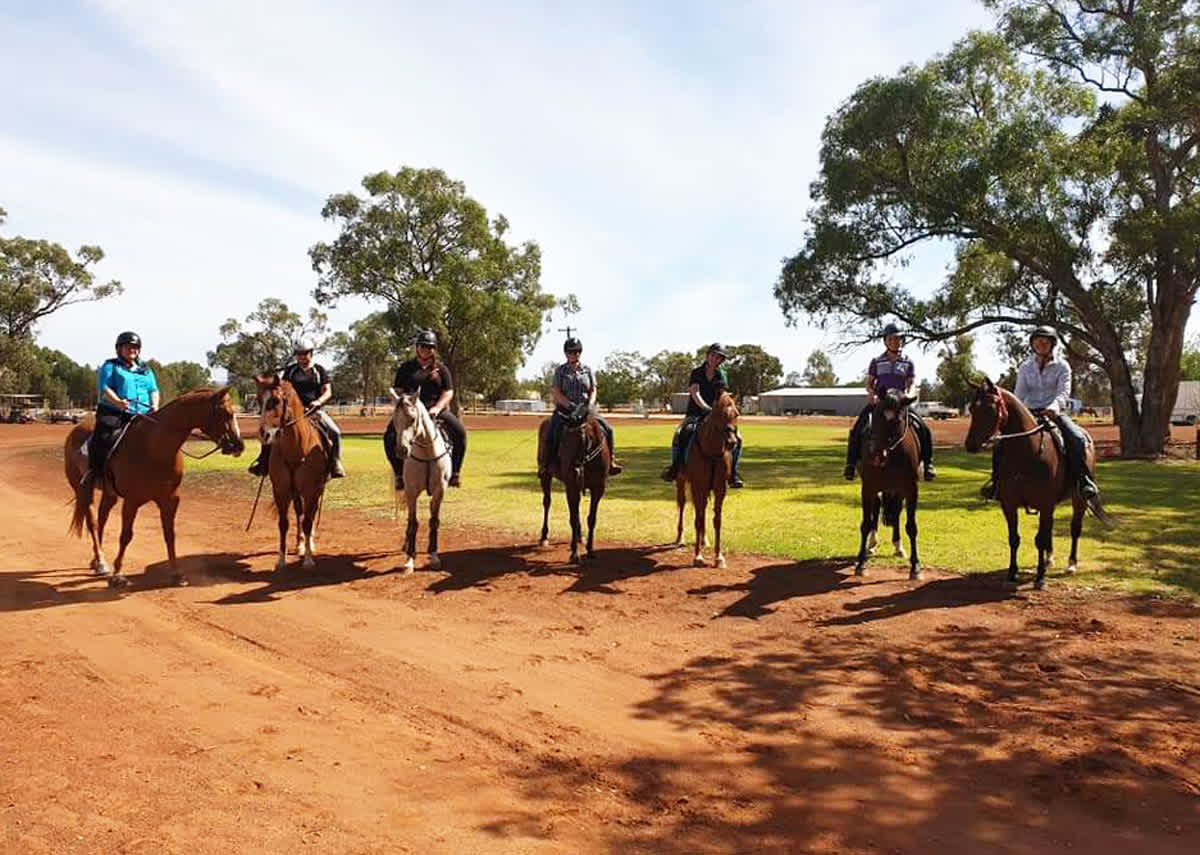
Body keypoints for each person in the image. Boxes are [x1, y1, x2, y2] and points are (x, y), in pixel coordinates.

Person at [980, 325, 1099, 501]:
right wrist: (1020, 411)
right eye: (1037, 342)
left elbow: (1063, 392)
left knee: (1077, 438)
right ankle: (996, 483)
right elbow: (1019, 393)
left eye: (1044, 342)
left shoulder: (1062, 366)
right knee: (1000, 444)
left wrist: (1053, 408)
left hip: (1054, 413)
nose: (1040, 345)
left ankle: (1084, 481)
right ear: (1032, 344)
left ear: (1052, 344)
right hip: (1029, 413)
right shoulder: (1025, 367)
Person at [843, 323, 936, 482]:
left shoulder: (908, 362)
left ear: (902, 341)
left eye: (898, 339)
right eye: (891, 339)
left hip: (900, 403)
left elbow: (911, 383)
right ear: (885, 341)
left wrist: (908, 394)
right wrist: (872, 394)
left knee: (924, 428)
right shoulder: (876, 361)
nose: (895, 342)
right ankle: (851, 464)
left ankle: (928, 464)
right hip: (881, 403)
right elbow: (869, 383)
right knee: (858, 428)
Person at [248, 340, 346, 478]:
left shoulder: (319, 370)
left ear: (311, 353)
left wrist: (318, 401)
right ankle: (263, 462)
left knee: (335, 432)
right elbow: (282, 389)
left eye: (304, 354)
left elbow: (328, 391)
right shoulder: (291, 370)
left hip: (314, 411)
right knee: (270, 432)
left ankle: (335, 463)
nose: (301, 357)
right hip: (292, 412)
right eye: (299, 354)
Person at [384, 330, 466, 489]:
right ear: (417, 347)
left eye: (429, 347)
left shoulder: (441, 369)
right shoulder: (406, 368)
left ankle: (455, 473)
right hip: (410, 413)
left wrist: (437, 407)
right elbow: (399, 390)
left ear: (433, 349)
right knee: (389, 436)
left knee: (460, 433)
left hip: (435, 411)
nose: (425, 350)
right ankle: (399, 474)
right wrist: (397, 398)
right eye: (422, 346)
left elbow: (448, 392)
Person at [659, 343, 744, 487]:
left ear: (721, 360)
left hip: (716, 416)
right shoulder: (696, 372)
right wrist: (706, 408)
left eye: (718, 357)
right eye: (713, 355)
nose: (715, 359)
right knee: (680, 433)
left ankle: (733, 473)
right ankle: (675, 468)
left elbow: (722, 394)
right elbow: (694, 392)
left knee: (738, 438)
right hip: (695, 413)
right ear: (707, 355)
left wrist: (727, 408)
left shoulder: (721, 374)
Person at [537, 336, 623, 478]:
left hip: (586, 410)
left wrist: (589, 405)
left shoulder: (587, 370)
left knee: (608, 429)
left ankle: (611, 461)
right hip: (565, 410)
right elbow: (557, 392)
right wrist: (570, 406)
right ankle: (547, 464)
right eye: (571, 352)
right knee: (552, 431)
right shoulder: (561, 371)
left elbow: (593, 389)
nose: (575, 354)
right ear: (566, 353)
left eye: (577, 351)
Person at [84, 330, 159, 487]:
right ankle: (94, 473)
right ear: (119, 349)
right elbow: (104, 387)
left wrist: (155, 405)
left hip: (143, 414)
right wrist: (118, 402)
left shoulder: (146, 369)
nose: (133, 350)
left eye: (136, 347)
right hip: (115, 412)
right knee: (103, 437)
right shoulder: (110, 366)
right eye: (128, 346)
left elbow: (153, 389)